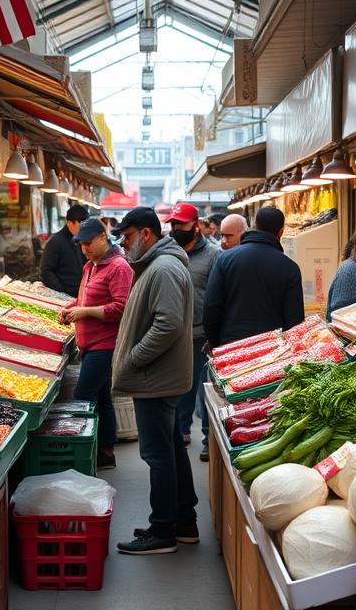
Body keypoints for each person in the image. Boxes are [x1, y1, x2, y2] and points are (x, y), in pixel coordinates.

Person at [110, 207, 196, 555]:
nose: (123, 243)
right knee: (170, 448)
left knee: (156, 454)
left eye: (128, 236)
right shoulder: (158, 265)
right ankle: (183, 522)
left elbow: (168, 324)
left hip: (156, 379)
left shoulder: (162, 269)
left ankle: (162, 531)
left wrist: (134, 358)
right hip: (160, 377)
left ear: (146, 234)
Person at [58, 218, 133, 471]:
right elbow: (83, 298)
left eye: (88, 243)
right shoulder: (91, 265)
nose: (85, 248)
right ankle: (105, 451)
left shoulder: (119, 267)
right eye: (81, 244)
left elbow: (121, 308)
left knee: (83, 395)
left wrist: (85, 312)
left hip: (106, 345)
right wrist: (70, 308)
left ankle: (86, 453)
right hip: (89, 344)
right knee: (102, 397)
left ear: (103, 237)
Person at [164, 202, 220, 461]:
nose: (176, 228)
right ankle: (182, 431)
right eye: (173, 224)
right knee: (180, 387)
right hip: (175, 332)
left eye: (181, 224)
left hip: (202, 333)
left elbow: (218, 295)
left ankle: (209, 439)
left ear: (195, 226)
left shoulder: (213, 255)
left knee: (206, 388)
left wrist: (214, 332)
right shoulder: (168, 252)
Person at [203, 207, 303, 349]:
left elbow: (211, 306)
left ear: (255, 225)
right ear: (281, 232)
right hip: (273, 351)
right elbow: (295, 321)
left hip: (231, 347)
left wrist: (216, 343)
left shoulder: (225, 259)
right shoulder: (290, 268)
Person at [40, 204, 89, 296]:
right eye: (81, 225)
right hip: (64, 295)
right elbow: (46, 270)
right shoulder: (55, 241)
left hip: (80, 293)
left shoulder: (81, 240)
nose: (84, 229)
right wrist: (61, 292)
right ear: (70, 223)